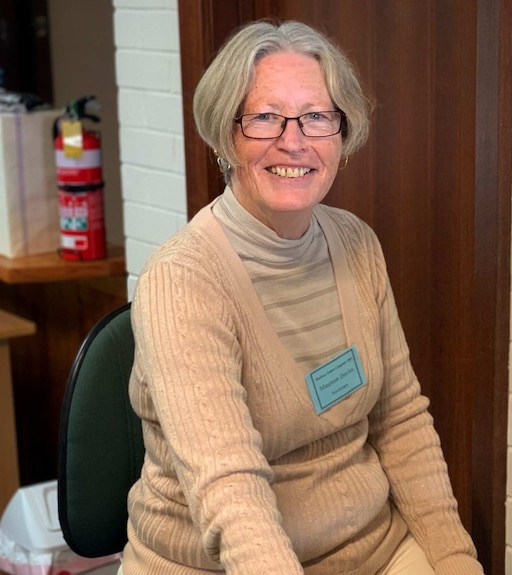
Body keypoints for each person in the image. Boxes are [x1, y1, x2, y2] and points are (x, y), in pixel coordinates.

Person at [120, 19, 485, 575]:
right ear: (225, 134)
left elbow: (401, 420)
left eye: (316, 117)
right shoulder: (183, 280)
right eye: (265, 117)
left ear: (343, 135)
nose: (294, 141)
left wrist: (458, 563)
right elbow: (230, 491)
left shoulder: (356, 243)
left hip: (373, 549)